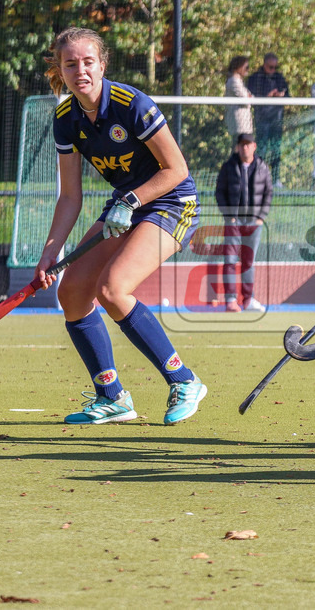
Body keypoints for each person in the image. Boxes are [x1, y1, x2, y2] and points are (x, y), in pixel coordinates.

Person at [38, 26, 206, 425]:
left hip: (171, 201)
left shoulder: (132, 104)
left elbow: (176, 169)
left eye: (88, 62)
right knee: (74, 291)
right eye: (70, 64)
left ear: (102, 64)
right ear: (60, 70)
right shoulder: (66, 117)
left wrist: (131, 200)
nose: (81, 70)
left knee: (112, 289)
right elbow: (70, 197)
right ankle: (111, 396)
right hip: (125, 206)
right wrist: (50, 253)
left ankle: (184, 380)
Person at [215, 133, 273, 313]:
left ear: (254, 146)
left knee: (248, 261)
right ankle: (231, 301)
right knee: (230, 260)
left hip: (254, 222)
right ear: (238, 147)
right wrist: (229, 215)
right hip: (234, 221)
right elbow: (219, 192)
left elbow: (268, 193)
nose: (245, 147)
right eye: (242, 144)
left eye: (248, 144)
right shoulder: (228, 167)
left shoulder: (263, 167)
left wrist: (260, 217)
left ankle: (248, 300)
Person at [247, 52, 289, 186]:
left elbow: (288, 95)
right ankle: (259, 177)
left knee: (276, 149)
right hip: (262, 118)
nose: (273, 70)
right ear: (264, 64)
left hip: (277, 119)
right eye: (270, 67)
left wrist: (282, 95)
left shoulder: (279, 78)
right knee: (262, 149)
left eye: (275, 67)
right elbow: (252, 97)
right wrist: (268, 96)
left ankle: (276, 178)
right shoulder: (255, 78)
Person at [224, 55, 253, 141]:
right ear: (239, 67)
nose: (248, 69)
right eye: (246, 67)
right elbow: (246, 99)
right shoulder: (234, 81)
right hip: (239, 123)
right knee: (238, 148)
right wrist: (248, 97)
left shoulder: (238, 81)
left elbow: (249, 97)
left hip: (242, 124)